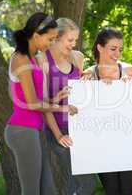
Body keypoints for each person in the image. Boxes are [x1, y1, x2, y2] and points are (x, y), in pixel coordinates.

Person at [4, 12, 77, 195]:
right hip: (22, 129)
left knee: (48, 190)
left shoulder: (33, 58)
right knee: (31, 191)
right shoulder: (20, 58)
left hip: (34, 129)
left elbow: (38, 100)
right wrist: (62, 107)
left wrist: (55, 98)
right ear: (36, 34)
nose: (51, 43)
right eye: (50, 39)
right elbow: (31, 103)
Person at [37, 18, 96, 195]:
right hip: (57, 130)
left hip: (79, 126)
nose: (73, 44)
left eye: (75, 40)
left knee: (73, 181)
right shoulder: (42, 60)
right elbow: (44, 104)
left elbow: (81, 88)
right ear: (56, 38)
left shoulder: (77, 57)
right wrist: (58, 135)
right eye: (70, 40)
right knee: (88, 183)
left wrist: (88, 78)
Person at [84, 27, 132, 195]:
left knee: (129, 191)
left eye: (120, 49)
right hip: (103, 145)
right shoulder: (89, 75)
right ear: (100, 48)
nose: (118, 54)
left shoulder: (130, 71)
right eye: (113, 49)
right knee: (112, 190)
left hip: (129, 142)